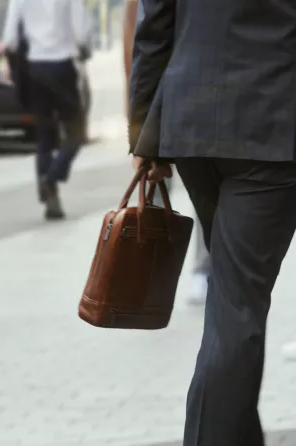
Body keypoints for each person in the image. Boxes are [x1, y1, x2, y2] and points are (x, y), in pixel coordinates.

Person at [128, 0, 296, 444]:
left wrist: (143, 132)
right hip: (269, 127)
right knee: (237, 305)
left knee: (232, 295)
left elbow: (154, 24)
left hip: (192, 123)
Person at [123, 0, 210, 307]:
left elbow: (143, 43)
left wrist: (139, 126)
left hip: (173, 106)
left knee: (162, 194)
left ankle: (154, 276)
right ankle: (185, 272)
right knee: (191, 200)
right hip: (188, 108)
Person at [2, 0, 91, 220]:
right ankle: (52, 177)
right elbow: (81, 33)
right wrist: (83, 49)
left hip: (34, 69)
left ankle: (51, 199)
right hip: (62, 68)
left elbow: (9, 40)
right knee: (76, 133)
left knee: (44, 135)